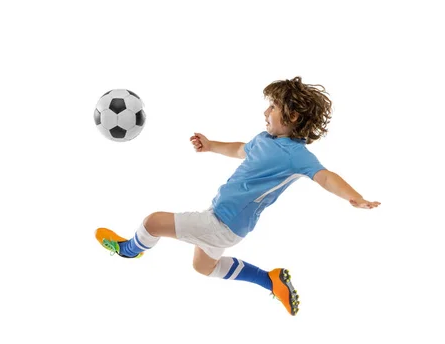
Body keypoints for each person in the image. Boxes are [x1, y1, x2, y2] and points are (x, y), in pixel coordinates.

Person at [95, 76, 380, 316]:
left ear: (292, 116)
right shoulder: (265, 139)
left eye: (272, 107)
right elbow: (240, 149)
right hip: (221, 220)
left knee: (153, 222)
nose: (265, 112)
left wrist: (354, 197)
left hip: (223, 224)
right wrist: (210, 145)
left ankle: (128, 251)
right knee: (203, 267)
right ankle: (270, 280)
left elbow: (326, 176)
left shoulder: (298, 156)